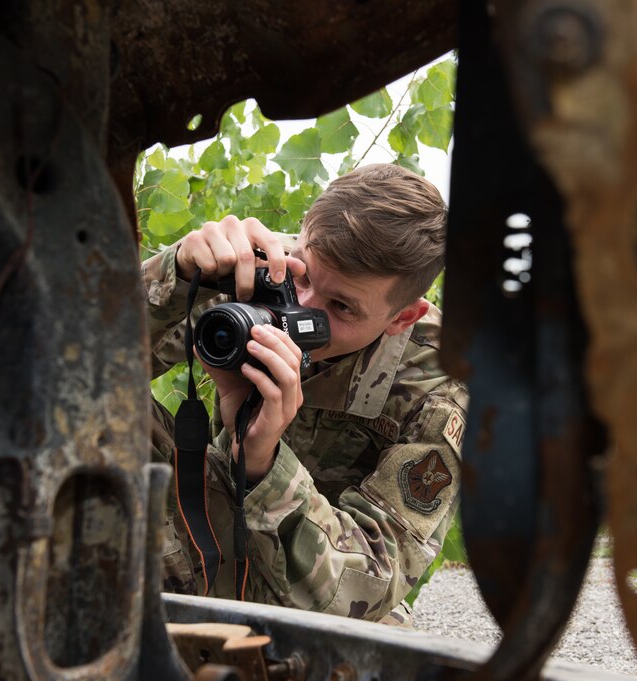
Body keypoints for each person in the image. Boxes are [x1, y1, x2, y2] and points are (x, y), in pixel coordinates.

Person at [141, 163, 466, 625]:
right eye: (305, 277)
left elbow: (371, 583)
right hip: (205, 533)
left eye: (341, 307)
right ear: (300, 239)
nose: (301, 312)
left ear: (402, 318)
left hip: (316, 598)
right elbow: (65, 363)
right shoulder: (256, 275)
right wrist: (171, 276)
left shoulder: (440, 385)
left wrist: (262, 463)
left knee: (381, 654)